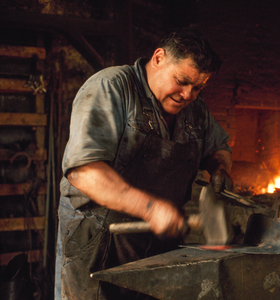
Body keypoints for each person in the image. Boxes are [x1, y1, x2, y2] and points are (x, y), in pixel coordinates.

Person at [54, 28, 233, 300]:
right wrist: (150, 209)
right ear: (158, 58)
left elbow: (218, 146)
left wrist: (220, 169)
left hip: (159, 240)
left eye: (198, 87)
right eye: (182, 81)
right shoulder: (111, 87)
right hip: (99, 237)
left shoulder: (196, 111)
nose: (188, 95)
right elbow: (84, 172)